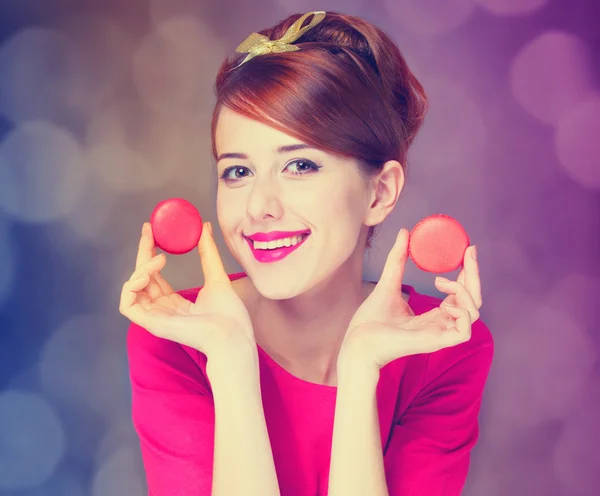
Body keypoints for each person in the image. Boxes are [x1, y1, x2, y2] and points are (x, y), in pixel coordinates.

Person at [120, 11, 494, 496]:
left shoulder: (441, 348)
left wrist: (361, 372)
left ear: (379, 193)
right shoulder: (177, 340)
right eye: (237, 172)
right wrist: (230, 360)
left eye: (299, 165)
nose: (259, 207)